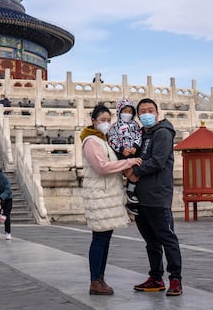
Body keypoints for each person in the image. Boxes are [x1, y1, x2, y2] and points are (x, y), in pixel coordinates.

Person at [80, 104, 142, 296]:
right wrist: (129, 162)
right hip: (99, 196)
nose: (106, 123)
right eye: (102, 120)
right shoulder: (91, 141)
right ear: (93, 121)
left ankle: (99, 278)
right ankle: (95, 280)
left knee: (104, 239)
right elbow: (102, 167)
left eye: (108, 120)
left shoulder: (104, 141)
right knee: (99, 239)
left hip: (108, 196)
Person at [127, 98, 183, 297]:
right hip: (141, 196)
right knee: (151, 241)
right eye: (142, 111)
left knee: (167, 238)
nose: (146, 113)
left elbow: (158, 161)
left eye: (150, 110)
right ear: (139, 116)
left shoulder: (163, 133)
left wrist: (135, 171)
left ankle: (175, 279)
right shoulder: (141, 134)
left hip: (158, 195)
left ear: (157, 113)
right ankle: (156, 277)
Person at [106, 98, 142, 214]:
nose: (127, 114)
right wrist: (121, 149)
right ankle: (126, 197)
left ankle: (131, 194)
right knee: (128, 171)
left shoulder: (135, 125)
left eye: (130, 111)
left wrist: (135, 147)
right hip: (121, 154)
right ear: (119, 111)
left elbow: (138, 136)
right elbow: (112, 139)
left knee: (136, 172)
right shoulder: (114, 127)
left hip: (133, 152)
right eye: (125, 111)